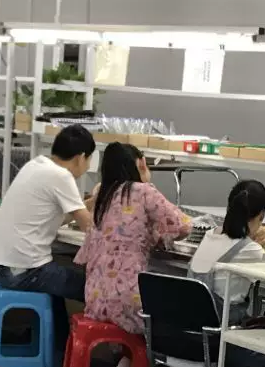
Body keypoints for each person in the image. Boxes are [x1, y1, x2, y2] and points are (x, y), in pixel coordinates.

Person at [0, 123, 96, 353]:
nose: (87, 167)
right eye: (88, 161)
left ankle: (57, 354)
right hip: (25, 271)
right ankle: (91, 356)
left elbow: (59, 217)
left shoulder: (36, 165)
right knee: (96, 287)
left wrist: (91, 202)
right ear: (81, 157)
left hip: (3, 266)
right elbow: (89, 227)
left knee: (59, 285)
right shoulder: (61, 176)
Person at [75, 143, 193, 336]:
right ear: (142, 163)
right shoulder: (143, 191)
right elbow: (183, 225)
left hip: (95, 299)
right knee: (174, 310)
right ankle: (153, 354)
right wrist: (160, 236)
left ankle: (123, 354)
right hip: (128, 301)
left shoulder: (102, 196)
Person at [188, 181, 265, 318]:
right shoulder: (249, 249)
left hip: (192, 319)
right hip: (224, 323)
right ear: (262, 215)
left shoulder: (210, 234)